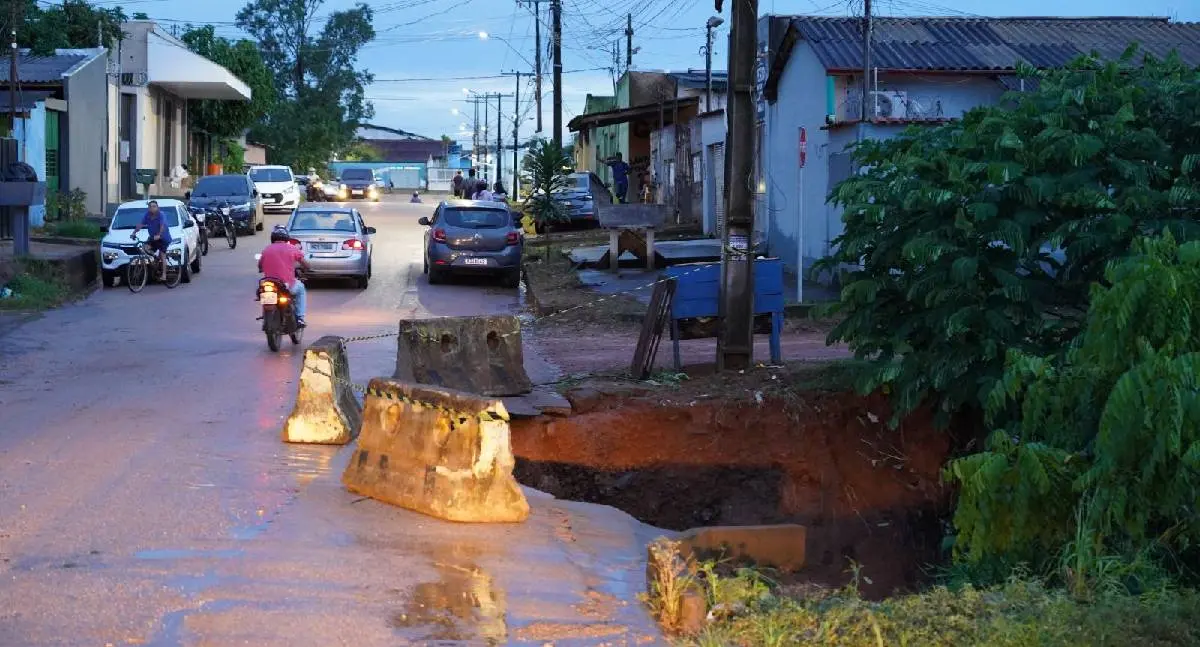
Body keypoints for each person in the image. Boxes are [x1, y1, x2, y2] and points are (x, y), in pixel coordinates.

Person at [258, 225, 311, 327]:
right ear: (287, 238)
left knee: (265, 294)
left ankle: (265, 316)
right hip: (286, 285)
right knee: (301, 290)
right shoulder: (292, 248)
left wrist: (262, 268)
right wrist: (307, 268)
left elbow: (260, 265)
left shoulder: (266, 249)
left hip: (269, 284)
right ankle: (300, 318)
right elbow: (305, 263)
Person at [131, 200, 171, 281]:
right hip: (153, 237)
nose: (152, 208)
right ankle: (155, 257)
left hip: (164, 238)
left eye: (154, 206)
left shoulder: (161, 214)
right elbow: (140, 224)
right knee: (145, 247)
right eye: (150, 207)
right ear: (148, 208)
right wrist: (134, 233)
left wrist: (159, 235)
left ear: (157, 207)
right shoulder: (147, 215)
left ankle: (164, 275)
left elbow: (162, 225)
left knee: (163, 255)